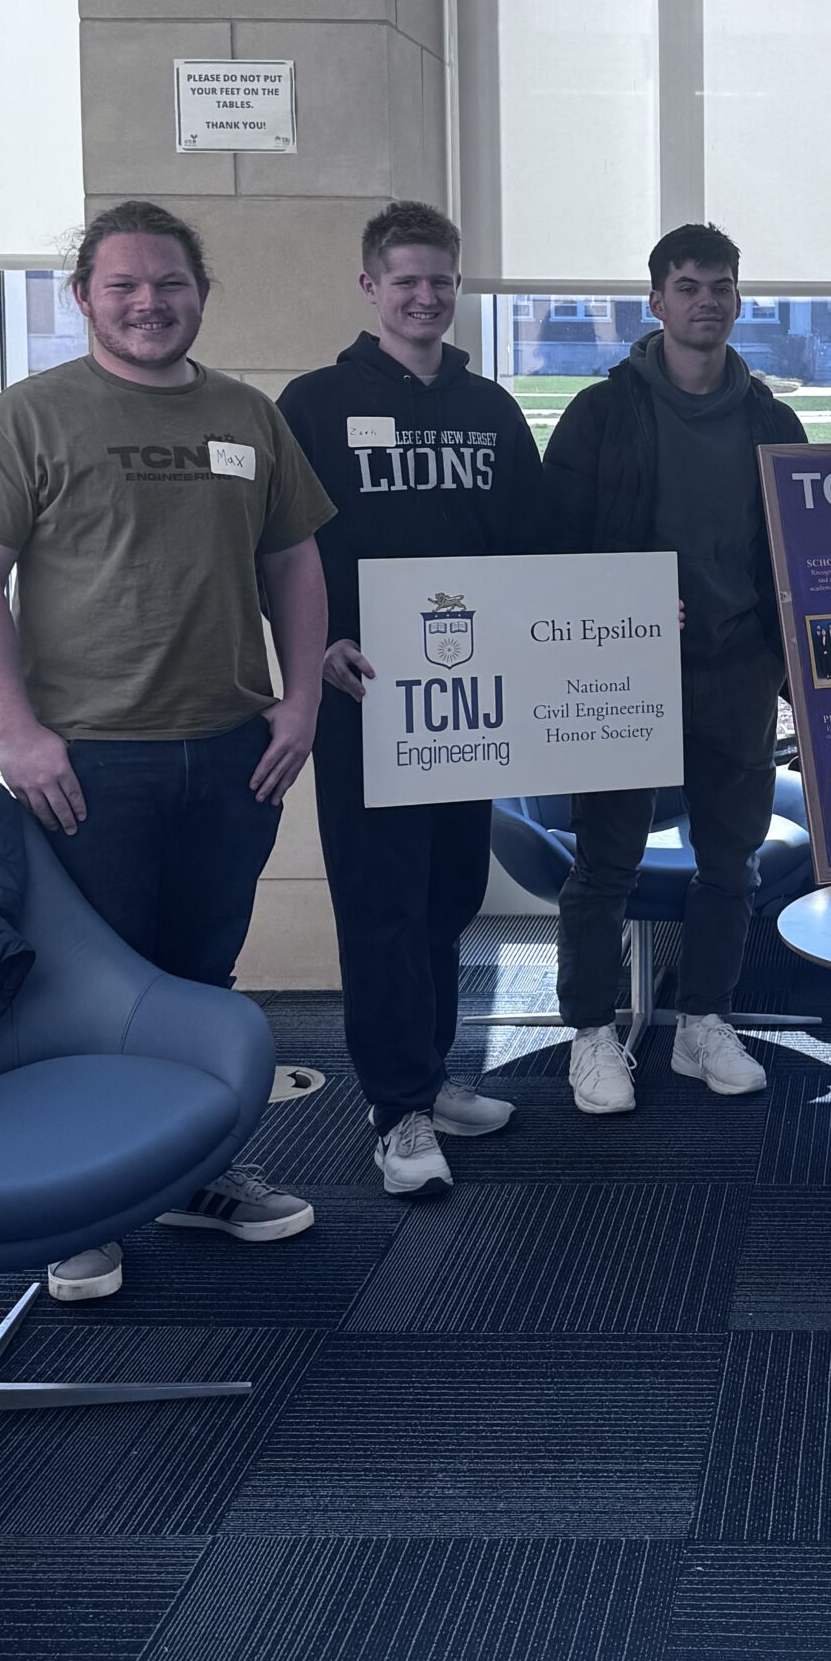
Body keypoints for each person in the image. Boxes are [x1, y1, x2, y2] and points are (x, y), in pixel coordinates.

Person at [0, 200, 334, 1299]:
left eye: (170, 283)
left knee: (202, 978)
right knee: (91, 989)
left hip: (234, 755)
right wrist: (14, 733)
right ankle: (83, 1203)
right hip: (89, 763)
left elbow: (293, 563)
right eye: (123, 285)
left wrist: (299, 702)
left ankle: (194, 1171)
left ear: (201, 294)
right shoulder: (30, 418)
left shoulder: (248, 416)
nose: (149, 302)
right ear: (82, 298)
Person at [277, 202, 546, 1200]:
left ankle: (431, 1077)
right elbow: (278, 554)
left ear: (458, 285)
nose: (425, 296)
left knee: (449, 896)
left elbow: (534, 550)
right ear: (370, 288)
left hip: (467, 705)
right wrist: (314, 650)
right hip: (364, 696)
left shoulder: (492, 410)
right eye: (406, 281)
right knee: (380, 905)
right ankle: (395, 1112)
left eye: (440, 280)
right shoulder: (311, 404)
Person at [541, 222, 807, 1116]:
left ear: (739, 299)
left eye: (721, 286)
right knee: (604, 865)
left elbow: (804, 555)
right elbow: (553, 556)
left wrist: (798, 672)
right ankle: (590, 1034)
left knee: (731, 862)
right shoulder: (601, 414)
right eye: (688, 285)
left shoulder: (773, 419)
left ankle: (704, 1022)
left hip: (737, 669)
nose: (707, 301)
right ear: (655, 300)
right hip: (624, 674)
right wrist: (625, 599)